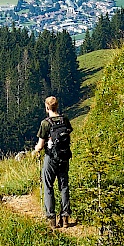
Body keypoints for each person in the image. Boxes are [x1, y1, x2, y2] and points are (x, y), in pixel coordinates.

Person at [32, 95, 72, 227]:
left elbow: (41, 144)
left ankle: (51, 219)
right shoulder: (64, 119)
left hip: (51, 158)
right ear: (57, 106)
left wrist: (36, 150)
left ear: (47, 107)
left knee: (48, 186)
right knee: (64, 186)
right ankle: (65, 217)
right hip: (64, 157)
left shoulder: (45, 123)